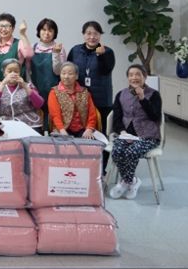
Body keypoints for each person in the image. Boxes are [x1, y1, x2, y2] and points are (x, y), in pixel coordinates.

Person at [108, 64, 162, 200]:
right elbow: (117, 118)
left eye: (138, 74)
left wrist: (143, 99)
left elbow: (155, 116)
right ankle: (132, 181)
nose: (134, 77)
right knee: (117, 151)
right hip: (126, 134)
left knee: (131, 151)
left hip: (148, 135)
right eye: (131, 75)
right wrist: (122, 132)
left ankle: (125, 181)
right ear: (128, 78)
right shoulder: (121, 94)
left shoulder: (154, 94)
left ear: (145, 77)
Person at [67, 20, 115, 134]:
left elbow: (106, 70)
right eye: (88, 33)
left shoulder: (107, 52)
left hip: (101, 99)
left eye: (96, 34)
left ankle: (103, 146)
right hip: (79, 98)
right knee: (81, 131)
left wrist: (100, 56)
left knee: (101, 131)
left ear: (100, 35)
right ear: (83, 34)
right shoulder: (75, 50)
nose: (92, 37)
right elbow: (68, 70)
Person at [0, 58, 44, 132]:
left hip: (29, 123)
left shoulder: (28, 86)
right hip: (7, 123)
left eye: (16, 71)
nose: (13, 74)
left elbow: (39, 104)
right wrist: (3, 83)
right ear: (4, 73)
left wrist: (25, 86)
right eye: (9, 71)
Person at [29, 18, 66, 124]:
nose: (46, 33)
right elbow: (27, 69)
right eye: (44, 30)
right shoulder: (33, 47)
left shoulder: (59, 48)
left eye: (50, 30)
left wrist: (56, 53)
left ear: (54, 33)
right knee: (36, 119)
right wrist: (30, 86)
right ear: (39, 31)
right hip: (36, 89)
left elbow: (58, 71)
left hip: (53, 90)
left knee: (52, 118)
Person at [47, 62, 98, 138]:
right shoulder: (54, 92)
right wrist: (62, 130)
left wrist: (89, 129)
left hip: (83, 130)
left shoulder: (85, 92)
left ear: (76, 76)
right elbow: (55, 115)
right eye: (63, 73)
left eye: (70, 74)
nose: (66, 76)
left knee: (90, 142)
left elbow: (92, 113)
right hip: (62, 129)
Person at [0, 13, 32, 85]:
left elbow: (29, 55)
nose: (4, 29)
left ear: (13, 28)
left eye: (7, 26)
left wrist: (23, 34)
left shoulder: (19, 43)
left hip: (17, 88)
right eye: (1, 26)